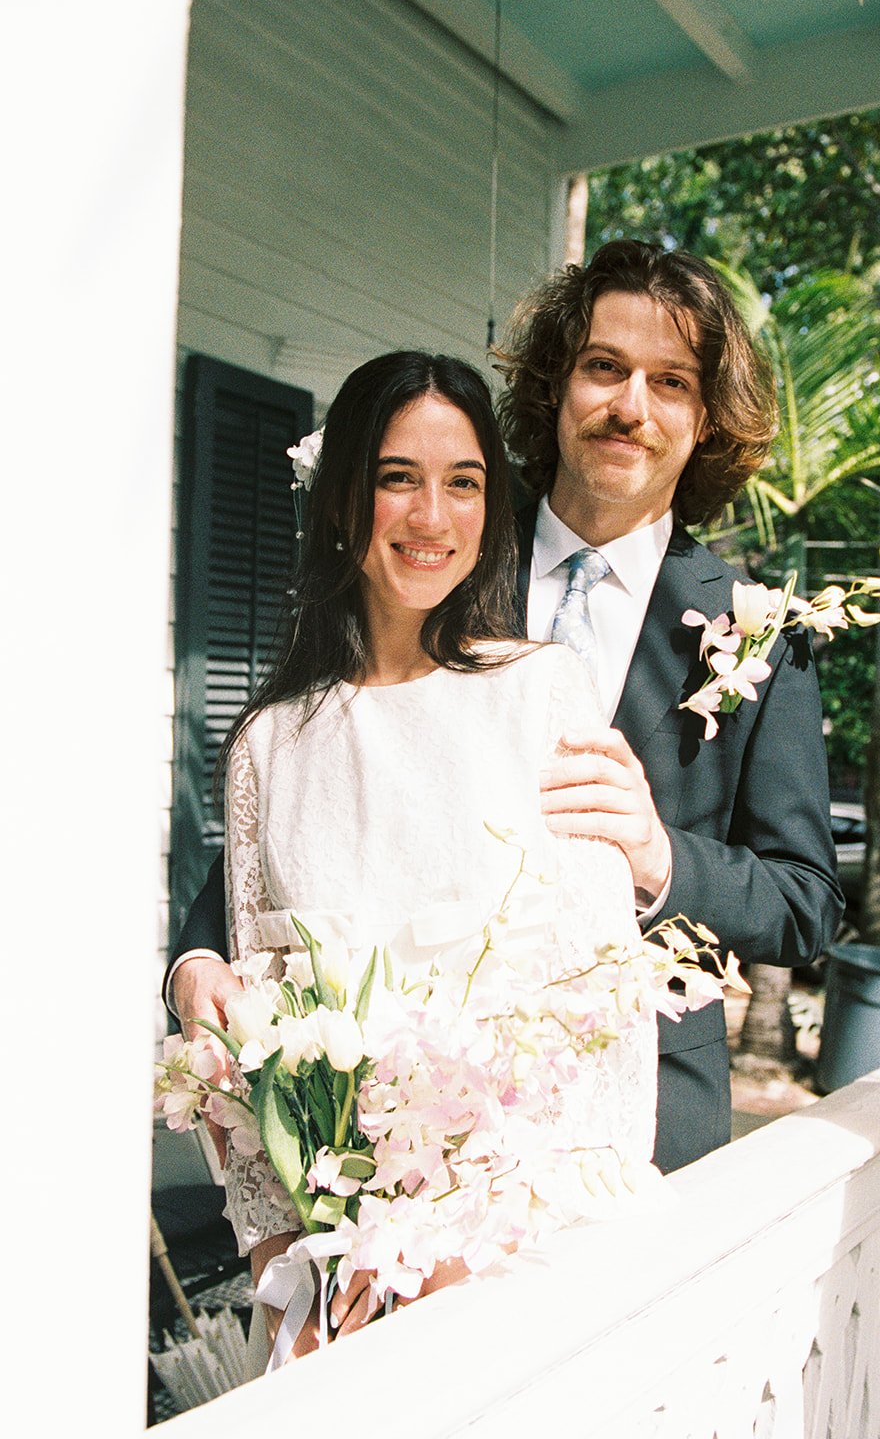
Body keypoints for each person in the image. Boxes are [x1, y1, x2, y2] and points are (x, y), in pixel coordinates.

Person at [169, 239, 842, 1175]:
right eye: (603, 367)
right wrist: (196, 956)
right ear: (554, 385)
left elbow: (806, 904)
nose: (629, 406)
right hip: (393, 1117)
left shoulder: (762, 631)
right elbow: (311, 784)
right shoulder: (441, 540)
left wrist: (656, 855)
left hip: (642, 1118)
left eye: (672, 382)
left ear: (705, 419)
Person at [211, 349, 655, 1353]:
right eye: (396, 478)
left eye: (463, 483)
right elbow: (250, 1053)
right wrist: (288, 1267)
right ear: (339, 501)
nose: (432, 516)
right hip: (328, 1297)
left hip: (511, 1274)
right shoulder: (266, 747)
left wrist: (446, 1254)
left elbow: (602, 1028)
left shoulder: (540, 694)